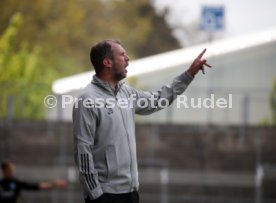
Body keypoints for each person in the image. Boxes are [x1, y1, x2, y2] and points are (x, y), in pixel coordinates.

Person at [73, 39, 212, 203]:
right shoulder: (87, 99)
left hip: (131, 193)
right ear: (107, 62)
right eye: (122, 55)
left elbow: (157, 100)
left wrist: (189, 75)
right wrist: (96, 195)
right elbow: (83, 151)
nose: (128, 59)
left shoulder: (126, 93)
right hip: (105, 195)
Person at [0, 160, 67, 203]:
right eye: (10, 170)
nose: (12, 172)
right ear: (4, 170)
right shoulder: (1, 183)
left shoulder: (16, 182)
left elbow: (35, 186)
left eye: (12, 170)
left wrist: (54, 184)